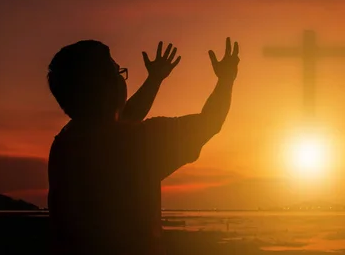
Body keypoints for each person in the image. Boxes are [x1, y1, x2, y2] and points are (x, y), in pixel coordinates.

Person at [47, 38, 239, 255]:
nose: (122, 78)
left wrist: (154, 80)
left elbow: (123, 117)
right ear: (106, 85)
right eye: (117, 71)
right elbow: (210, 121)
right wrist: (226, 79)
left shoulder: (65, 143)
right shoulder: (141, 142)